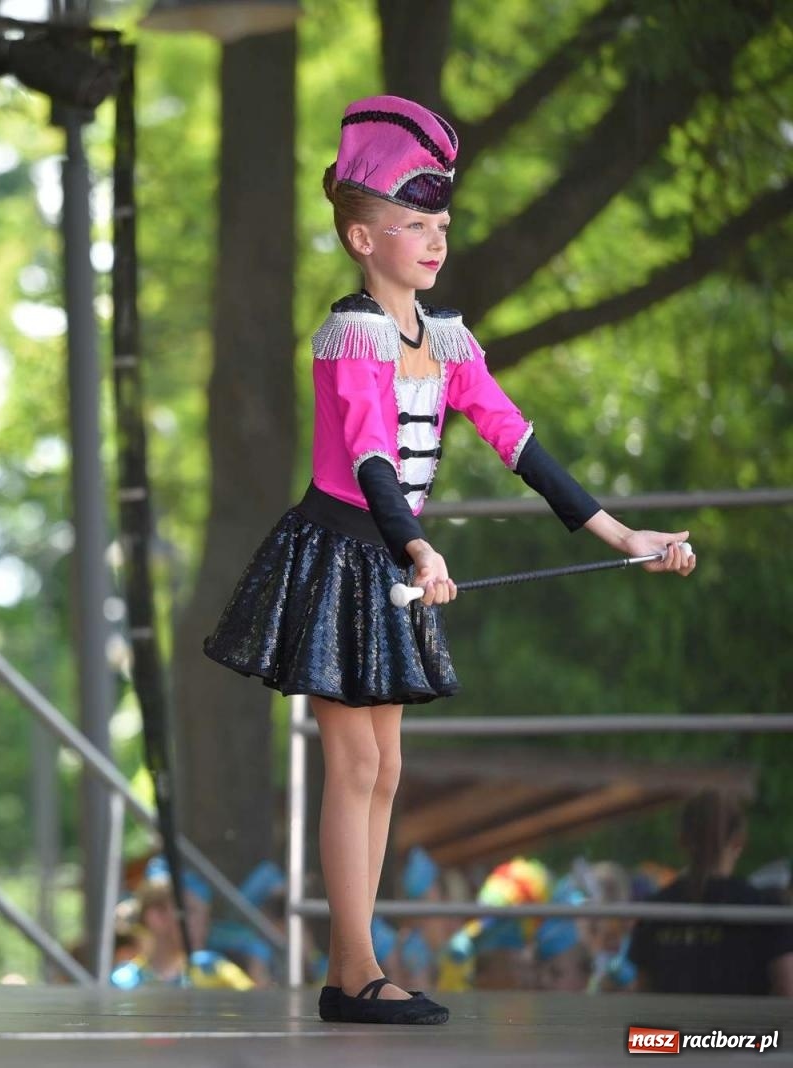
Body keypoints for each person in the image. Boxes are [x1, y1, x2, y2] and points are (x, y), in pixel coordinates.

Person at [202, 95, 694, 1026]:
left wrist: (624, 534)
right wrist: (419, 545)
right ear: (359, 238)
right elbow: (373, 456)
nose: (433, 241)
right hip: (344, 554)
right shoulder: (353, 335)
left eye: (440, 224)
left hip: (391, 557)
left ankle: (358, 966)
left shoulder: (448, 339)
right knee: (355, 767)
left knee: (383, 769)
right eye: (411, 225)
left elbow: (519, 442)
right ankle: (353, 973)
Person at [628, 791, 793, 997]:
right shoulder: (766, 909)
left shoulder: (654, 910)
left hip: (671, 1029)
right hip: (743, 1029)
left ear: (681, 840)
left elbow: (643, 996)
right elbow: (787, 991)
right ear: (739, 842)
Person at [110, 857, 254, 990]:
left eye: (204, 915)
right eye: (190, 911)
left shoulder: (215, 972)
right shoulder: (125, 983)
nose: (202, 923)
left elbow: (254, 1003)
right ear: (156, 916)